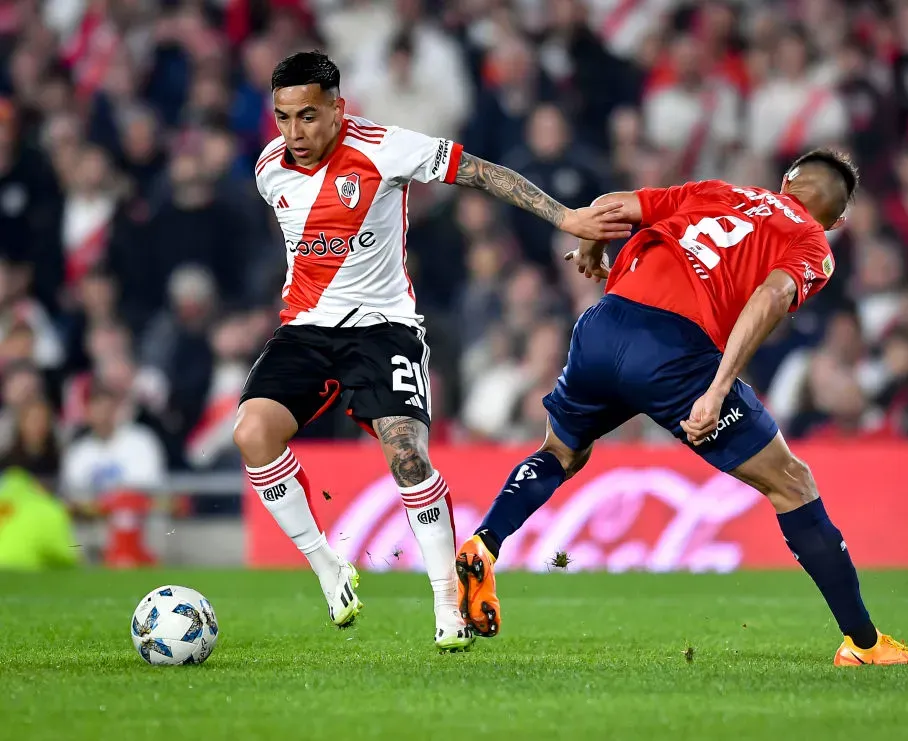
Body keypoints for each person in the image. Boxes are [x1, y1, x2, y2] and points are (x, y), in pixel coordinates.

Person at [457, 149, 908, 667]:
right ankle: (864, 644)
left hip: (602, 326)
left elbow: (609, 207)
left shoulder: (716, 191)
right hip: (674, 350)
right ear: (838, 221)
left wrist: (592, 250)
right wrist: (718, 387)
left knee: (561, 451)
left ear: (786, 182)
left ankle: (485, 542)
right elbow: (770, 299)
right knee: (792, 483)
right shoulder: (810, 240)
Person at [234, 51, 630, 651]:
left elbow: (483, 173)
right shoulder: (270, 168)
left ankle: (448, 602)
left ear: (338, 109)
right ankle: (328, 568)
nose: (295, 132)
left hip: (383, 330)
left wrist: (564, 216)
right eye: (284, 118)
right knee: (251, 434)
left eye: (308, 116)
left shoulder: (386, 147)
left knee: (408, 458)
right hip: (306, 331)